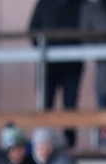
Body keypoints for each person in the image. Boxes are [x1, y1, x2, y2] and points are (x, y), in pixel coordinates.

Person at [28, 0, 84, 147]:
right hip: (48, 66)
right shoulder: (44, 3)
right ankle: (44, 144)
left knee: (70, 106)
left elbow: (86, 30)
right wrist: (46, 48)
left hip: (72, 65)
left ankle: (70, 144)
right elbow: (32, 30)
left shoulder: (79, 4)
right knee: (45, 106)